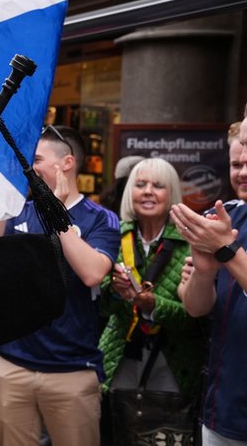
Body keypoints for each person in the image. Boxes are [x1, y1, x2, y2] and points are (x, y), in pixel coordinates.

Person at [0, 125, 119, 446]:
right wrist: (7, 197)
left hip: (71, 371)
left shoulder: (100, 218)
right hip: (11, 366)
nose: (28, 165)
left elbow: (93, 273)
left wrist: (56, 213)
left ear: (66, 163)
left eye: (35, 158)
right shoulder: (18, 211)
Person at [97, 158, 206, 441]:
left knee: (162, 435)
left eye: (158, 186)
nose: (148, 192)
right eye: (140, 185)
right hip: (121, 356)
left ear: (172, 194)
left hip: (173, 362)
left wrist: (152, 304)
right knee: (118, 433)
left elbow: (197, 317)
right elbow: (100, 309)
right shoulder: (113, 236)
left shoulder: (190, 242)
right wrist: (114, 291)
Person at [174, 113, 247, 445]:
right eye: (236, 164)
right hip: (224, 407)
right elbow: (195, 308)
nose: (242, 172)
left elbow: (226, 250)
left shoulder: (222, 236)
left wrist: (225, 250)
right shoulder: (227, 217)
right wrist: (203, 273)